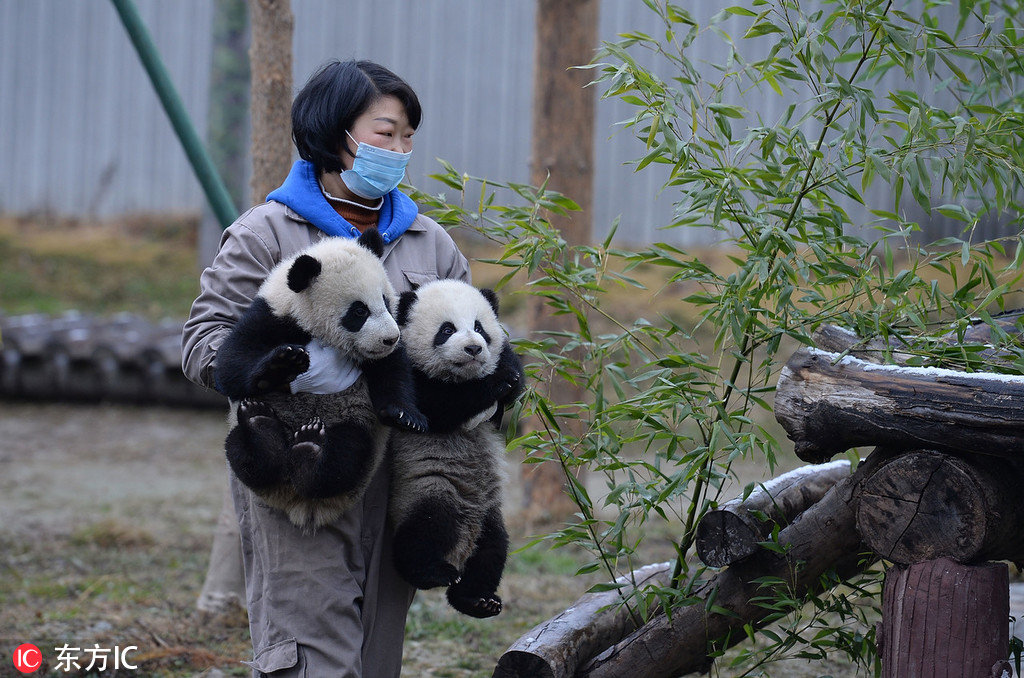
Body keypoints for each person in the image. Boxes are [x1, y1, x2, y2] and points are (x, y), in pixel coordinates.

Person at [182, 59, 471, 677]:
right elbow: (203, 340)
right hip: (297, 475)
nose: (400, 150)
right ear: (334, 133)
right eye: (385, 133)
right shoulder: (268, 235)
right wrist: (280, 372)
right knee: (309, 655)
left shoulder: (429, 243)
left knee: (374, 657)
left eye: (408, 136)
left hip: (392, 478)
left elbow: (475, 339)